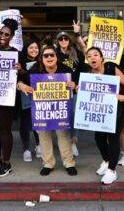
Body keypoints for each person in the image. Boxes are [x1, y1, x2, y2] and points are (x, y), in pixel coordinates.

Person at [18, 45, 78, 176]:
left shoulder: (65, 70)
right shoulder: (35, 70)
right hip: (42, 109)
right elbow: (20, 81)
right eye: (46, 55)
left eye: (52, 55)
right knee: (43, 135)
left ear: (56, 57)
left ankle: (69, 163)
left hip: (59, 108)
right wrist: (21, 85)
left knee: (63, 135)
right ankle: (48, 164)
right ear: (42, 58)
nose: (49, 57)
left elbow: (76, 83)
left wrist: (73, 84)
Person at [0, 18, 26, 178]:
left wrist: (20, 70)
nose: (2, 36)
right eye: (1, 32)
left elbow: (24, 77)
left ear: (11, 37)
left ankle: (6, 162)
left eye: (6, 34)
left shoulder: (16, 53)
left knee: (4, 130)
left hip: (6, 99)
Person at [84, 47, 124, 184]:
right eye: (89, 56)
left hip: (120, 106)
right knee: (98, 136)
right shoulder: (88, 73)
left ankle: (112, 170)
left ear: (101, 58)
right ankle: (107, 160)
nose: (93, 57)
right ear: (87, 60)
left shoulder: (110, 67)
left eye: (95, 55)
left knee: (113, 136)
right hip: (101, 109)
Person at [56, 28, 84, 157]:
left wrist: (77, 84)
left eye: (66, 38)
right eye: (61, 39)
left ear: (69, 40)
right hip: (59, 91)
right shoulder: (54, 54)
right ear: (58, 41)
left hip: (74, 90)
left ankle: (73, 142)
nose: (63, 40)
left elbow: (83, 70)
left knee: (74, 115)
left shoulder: (76, 53)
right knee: (62, 116)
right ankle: (64, 141)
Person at [19, 40, 41, 161]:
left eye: (36, 48)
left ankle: (39, 146)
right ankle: (26, 148)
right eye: (31, 47)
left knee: (39, 122)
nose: (34, 50)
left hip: (40, 96)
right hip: (24, 96)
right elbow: (18, 77)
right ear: (26, 49)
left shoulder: (42, 60)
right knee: (25, 123)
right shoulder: (20, 61)